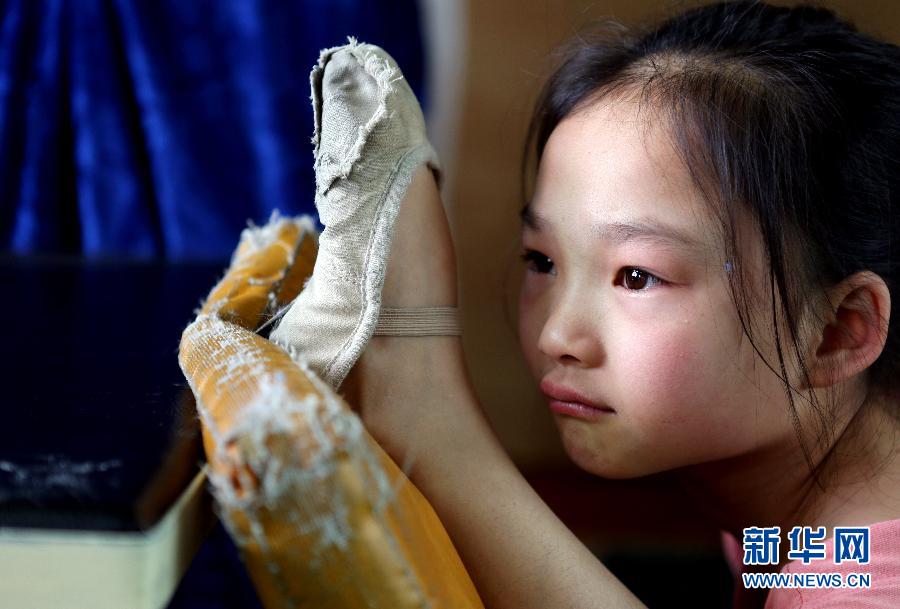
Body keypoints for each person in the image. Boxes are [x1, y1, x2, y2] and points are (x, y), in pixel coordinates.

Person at [270, 2, 900, 607]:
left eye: (636, 276)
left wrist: (440, 434)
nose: (557, 336)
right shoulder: (801, 538)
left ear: (836, 333)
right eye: (542, 261)